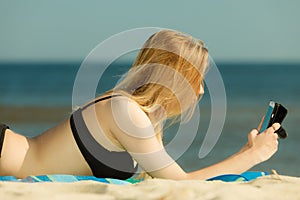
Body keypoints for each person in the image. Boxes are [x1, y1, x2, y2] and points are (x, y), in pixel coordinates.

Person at [0, 30, 280, 180]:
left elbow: (170, 179)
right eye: (197, 79)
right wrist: (252, 157)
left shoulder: (135, 113)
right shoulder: (127, 113)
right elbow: (180, 185)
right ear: (177, 79)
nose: (201, 89)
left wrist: (246, 151)